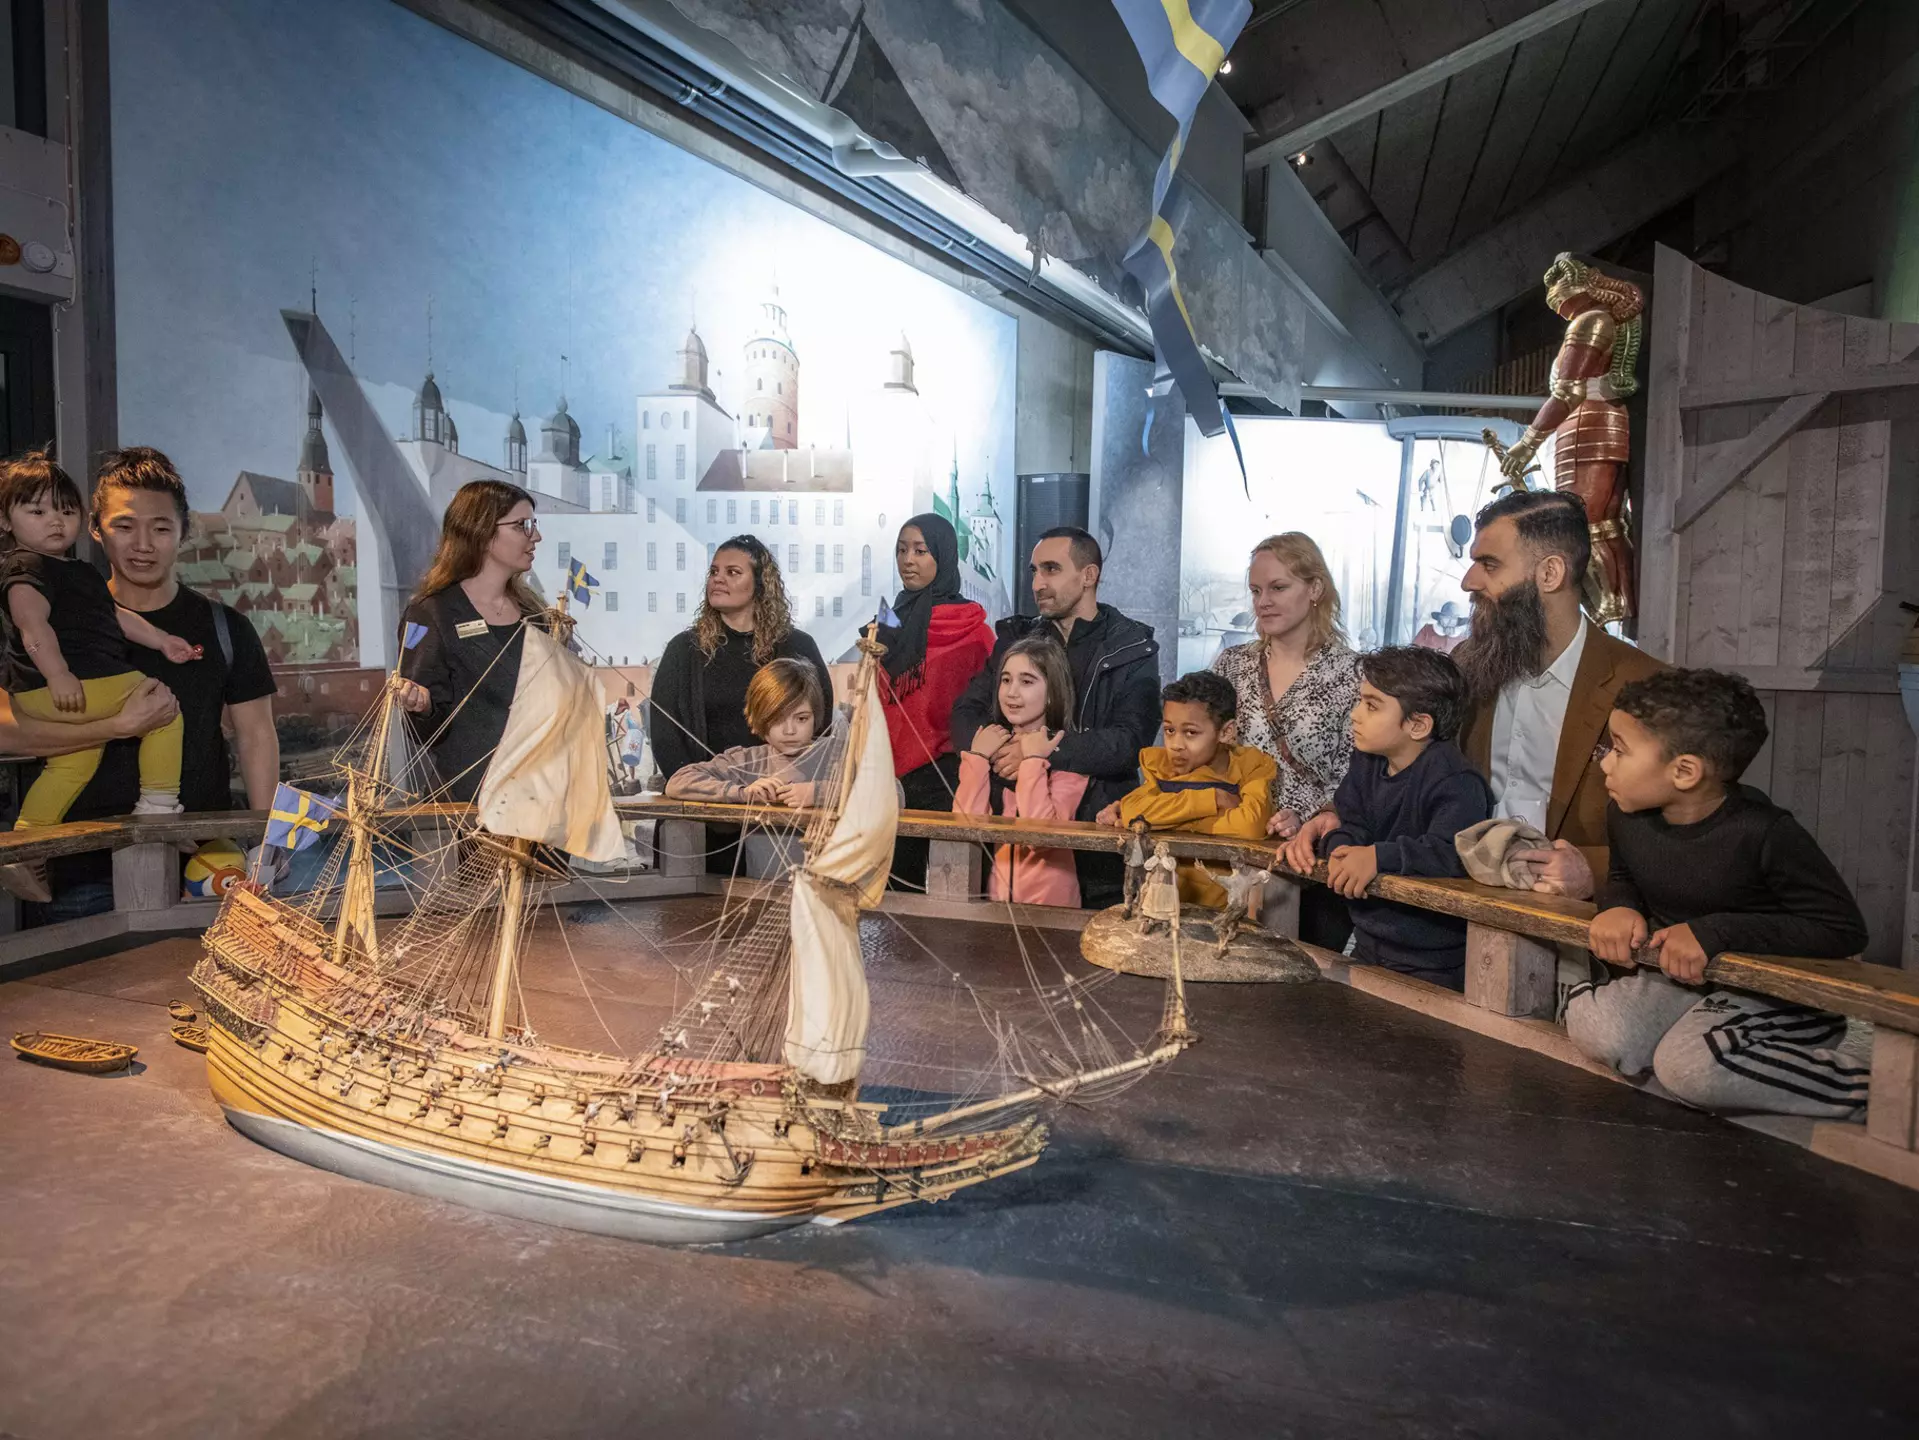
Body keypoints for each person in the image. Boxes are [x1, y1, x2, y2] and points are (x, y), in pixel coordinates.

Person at [1570, 669, 1873, 1117]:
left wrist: (1716, 932)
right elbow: (1624, 876)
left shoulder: (1765, 832)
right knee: (1598, 1029)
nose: (1605, 762)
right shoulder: (1626, 816)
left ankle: (1882, 1097)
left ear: (1685, 771)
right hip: (1682, 981)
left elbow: (1843, 930)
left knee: (1689, 1069)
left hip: (1773, 993)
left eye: (1620, 750)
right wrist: (1618, 906)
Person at [14, 447, 279, 918]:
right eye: (124, 526)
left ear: (183, 533)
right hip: (82, 873)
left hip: (202, 865)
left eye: (160, 528)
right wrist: (115, 728)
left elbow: (257, 737)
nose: (143, 544)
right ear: (95, 529)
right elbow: (7, 730)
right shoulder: (43, 620)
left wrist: (265, 847)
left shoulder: (226, 629)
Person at [1455, 488, 1663, 899]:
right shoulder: (1467, 662)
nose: (1468, 581)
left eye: (1489, 564)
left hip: (1579, 932)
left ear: (1550, 573)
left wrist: (1596, 872)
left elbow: (1688, 827)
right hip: (1462, 905)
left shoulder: (1644, 683)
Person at [951, 527, 1161, 907]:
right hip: (1011, 841)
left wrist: (1041, 752)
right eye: (1033, 571)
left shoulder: (1131, 647)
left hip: (1100, 840)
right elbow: (967, 713)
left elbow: (1131, 742)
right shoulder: (1017, 638)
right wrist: (996, 753)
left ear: (1088, 575)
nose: (1037, 583)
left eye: (1050, 569)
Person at [0, 452, 192, 834]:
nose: (55, 521)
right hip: (63, 685)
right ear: (5, 521)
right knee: (161, 709)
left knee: (73, 762)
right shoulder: (26, 568)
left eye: (66, 511)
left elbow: (114, 616)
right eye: (38, 512)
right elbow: (32, 627)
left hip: (64, 690)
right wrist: (58, 675)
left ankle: (27, 837)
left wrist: (161, 639)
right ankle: (158, 809)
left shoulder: (76, 572)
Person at [1280, 647, 1492, 991]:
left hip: (1433, 962)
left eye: (1372, 706)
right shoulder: (1368, 761)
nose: (1355, 715)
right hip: (1369, 944)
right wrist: (1341, 847)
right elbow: (1349, 822)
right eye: (1359, 702)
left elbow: (1453, 852)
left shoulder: (1456, 781)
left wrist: (1378, 857)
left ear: (1419, 724)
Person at [1208, 532, 1361, 947]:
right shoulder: (1232, 665)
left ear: (1315, 588)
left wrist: (1309, 818)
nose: (1263, 601)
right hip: (1234, 850)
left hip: (1313, 859)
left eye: (1278, 587)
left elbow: (1359, 776)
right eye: (1256, 590)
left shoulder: (1352, 674)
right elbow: (1200, 749)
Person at [648, 535, 830, 875]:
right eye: (715, 571)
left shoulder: (797, 647)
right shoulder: (684, 651)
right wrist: (714, 798)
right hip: (706, 809)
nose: (718, 578)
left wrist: (790, 788)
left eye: (733, 572)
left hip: (780, 813)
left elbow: (820, 724)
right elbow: (666, 737)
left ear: (760, 584)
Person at [396, 480, 547, 803]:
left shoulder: (537, 614)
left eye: (533, 525)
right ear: (482, 531)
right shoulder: (430, 613)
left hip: (543, 799)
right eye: (523, 526)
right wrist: (421, 706)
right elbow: (425, 731)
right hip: (472, 806)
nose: (536, 536)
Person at [876, 513, 994, 890]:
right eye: (901, 550)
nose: (908, 560)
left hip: (949, 776)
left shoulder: (973, 631)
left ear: (943, 556)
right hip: (889, 776)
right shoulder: (887, 623)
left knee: (952, 891)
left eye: (921, 551)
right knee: (894, 889)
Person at [1100, 671, 1274, 908]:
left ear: (1226, 732)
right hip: (1166, 902)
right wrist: (1211, 800)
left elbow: (1250, 825)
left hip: (1227, 907)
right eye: (1170, 731)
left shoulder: (1251, 766)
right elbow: (1134, 813)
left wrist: (1167, 819)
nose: (1176, 745)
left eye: (1191, 733)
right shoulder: (1161, 766)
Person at [663, 658, 840, 879]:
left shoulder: (837, 755)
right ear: (759, 720)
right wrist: (742, 793)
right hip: (762, 894)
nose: (790, 730)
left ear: (815, 716)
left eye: (801, 718)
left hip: (830, 897)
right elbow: (678, 782)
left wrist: (819, 793)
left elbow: (893, 793)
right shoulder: (749, 760)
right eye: (777, 719)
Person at [954, 634, 1087, 906]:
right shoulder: (992, 747)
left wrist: (1032, 759)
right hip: (997, 907)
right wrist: (977, 758)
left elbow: (1039, 834)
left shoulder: (1067, 755)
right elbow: (964, 828)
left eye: (1026, 681)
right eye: (1006, 680)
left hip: (1053, 912)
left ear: (1052, 694)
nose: (1012, 692)